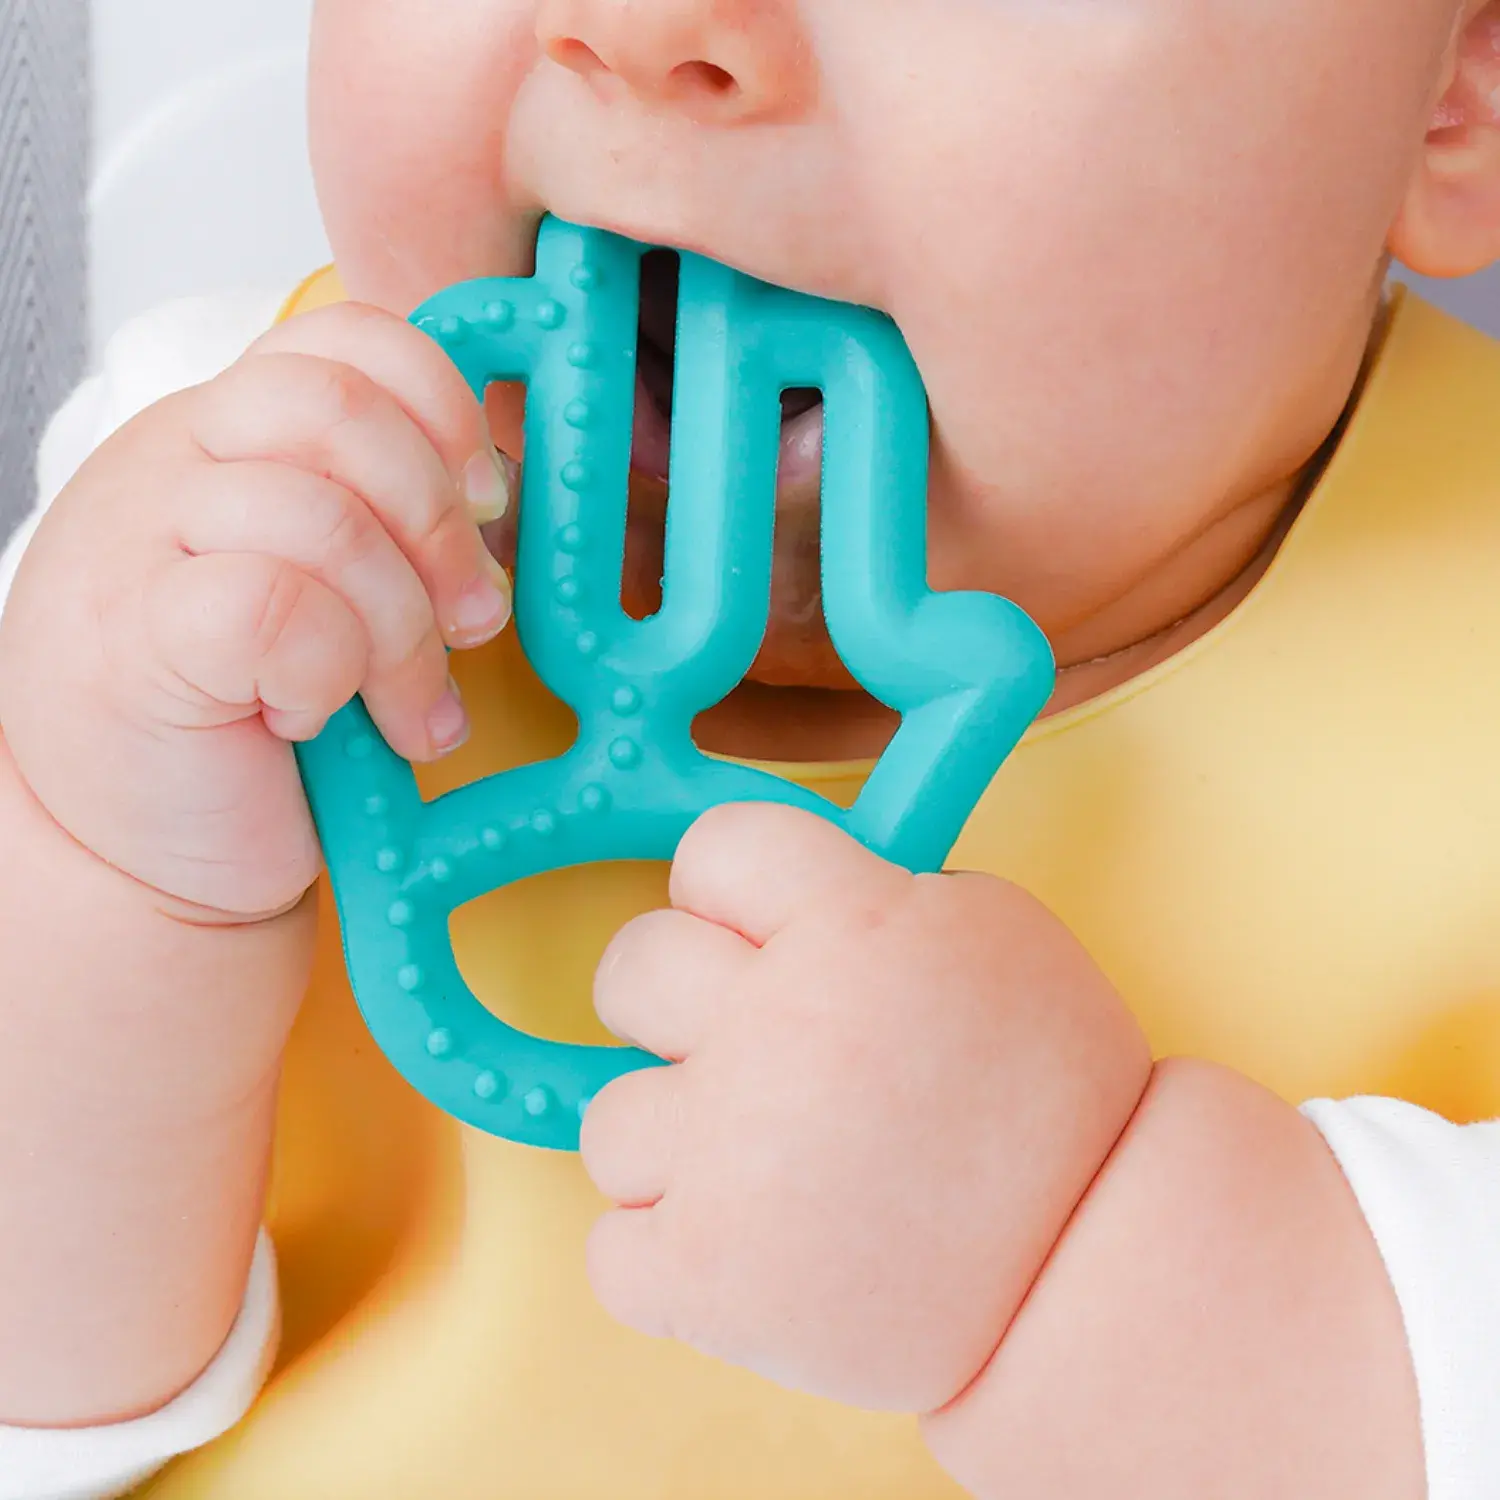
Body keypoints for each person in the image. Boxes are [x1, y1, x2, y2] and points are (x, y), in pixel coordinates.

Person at [3, 1, 1500, 1496]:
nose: (644, 26)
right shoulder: (207, 532)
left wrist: (1068, 1258)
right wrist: (93, 873)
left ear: (1454, 95)